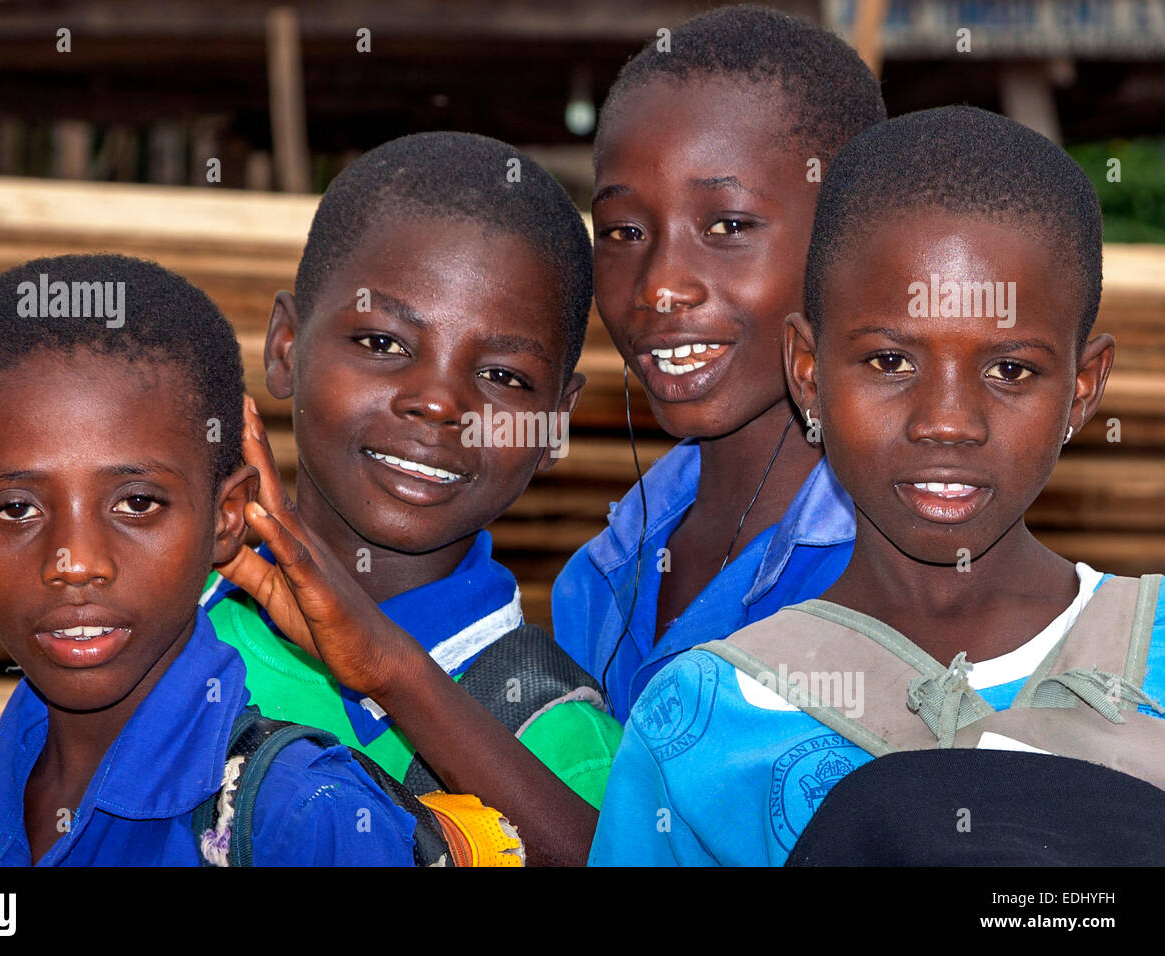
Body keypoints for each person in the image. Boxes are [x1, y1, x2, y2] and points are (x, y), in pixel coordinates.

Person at [590, 106, 1165, 866]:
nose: (947, 423)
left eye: (1010, 370)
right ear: (808, 371)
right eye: (891, 362)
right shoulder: (702, 717)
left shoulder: (1152, 648)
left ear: (1083, 389)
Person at [0, 254, 481, 866]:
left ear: (227, 517)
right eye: (17, 510)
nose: (75, 563)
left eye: (136, 502)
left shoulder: (303, 820)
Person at [202, 131, 621, 866]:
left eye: (504, 377)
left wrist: (392, 670)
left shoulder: (558, 743)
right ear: (284, 348)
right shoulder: (161, 626)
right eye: (384, 344)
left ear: (557, 423)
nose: (437, 403)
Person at [552, 5, 887, 723]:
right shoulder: (599, 579)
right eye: (624, 231)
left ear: (850, 239)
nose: (660, 283)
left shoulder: (890, 576)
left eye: (729, 226)